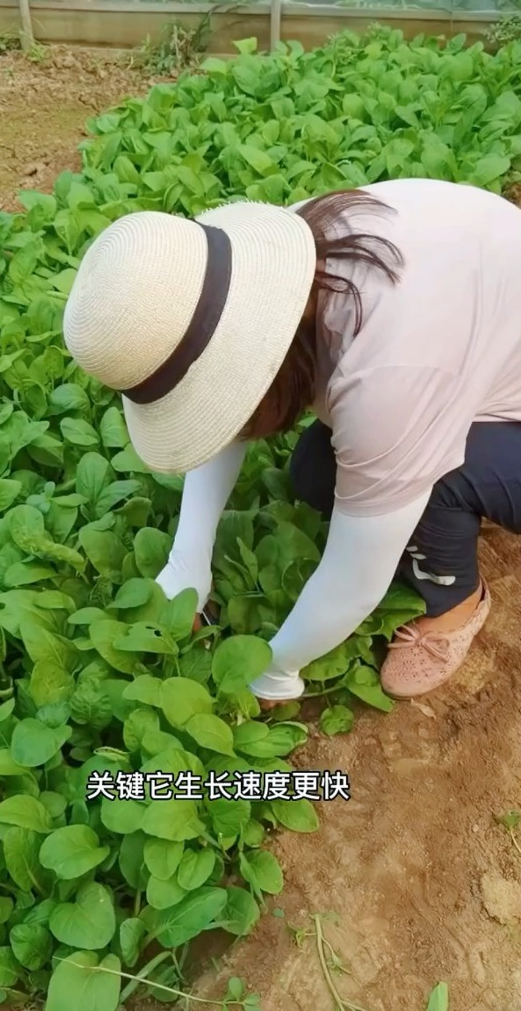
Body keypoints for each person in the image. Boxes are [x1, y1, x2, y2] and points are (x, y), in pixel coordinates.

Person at [63, 178, 521, 707]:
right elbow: (222, 403)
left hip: (485, 396)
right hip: (478, 345)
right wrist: (187, 561)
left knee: (424, 481)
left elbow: (355, 578)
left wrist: (275, 669)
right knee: (314, 477)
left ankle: (456, 600)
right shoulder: (263, 261)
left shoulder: (388, 378)